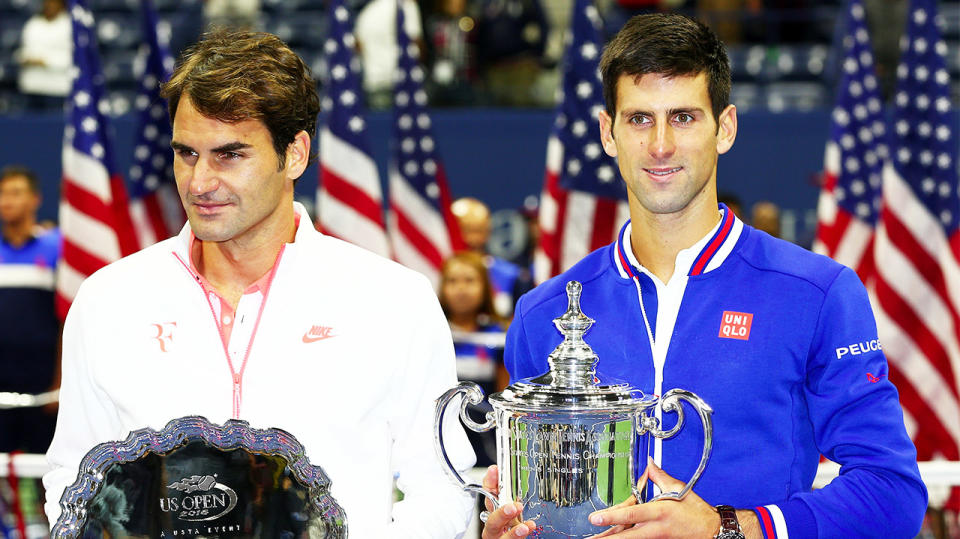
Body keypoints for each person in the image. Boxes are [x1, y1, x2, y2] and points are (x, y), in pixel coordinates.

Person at [482, 13, 926, 539]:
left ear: (726, 128)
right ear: (608, 132)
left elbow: (892, 492)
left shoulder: (816, 294)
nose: (661, 145)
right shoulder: (543, 314)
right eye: (640, 119)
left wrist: (728, 529)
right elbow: (530, 509)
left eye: (685, 118)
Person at [42, 30, 475, 537]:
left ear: (294, 154)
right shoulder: (107, 300)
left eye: (229, 155)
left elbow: (442, 488)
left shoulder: (394, 300)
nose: (199, 182)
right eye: (186, 153)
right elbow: (75, 479)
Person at [0, 165, 60, 454]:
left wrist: (60, 382)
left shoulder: (56, 247)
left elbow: (67, 319)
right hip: (1, 383)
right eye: (2, 194)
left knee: (45, 470)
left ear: (35, 199)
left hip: (43, 383)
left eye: (15, 193)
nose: (6, 201)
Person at [438, 251, 508, 466]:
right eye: (452, 281)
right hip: (440, 433)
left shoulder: (498, 335)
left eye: (469, 280)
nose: (461, 288)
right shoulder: (434, 331)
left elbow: (504, 394)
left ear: (485, 288)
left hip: (484, 437)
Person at [451, 196, 521, 317]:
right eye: (463, 230)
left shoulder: (510, 275)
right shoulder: (432, 270)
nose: (471, 238)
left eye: (477, 230)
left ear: (487, 231)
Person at [16, 0, 72, 112]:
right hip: (31, 88)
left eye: (53, 3)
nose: (49, 5)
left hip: (57, 90)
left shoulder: (69, 25)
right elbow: (23, 51)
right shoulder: (33, 24)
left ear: (62, 5)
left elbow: (72, 58)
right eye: (47, 2)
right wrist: (24, 58)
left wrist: (45, 61)